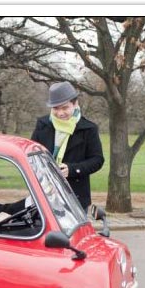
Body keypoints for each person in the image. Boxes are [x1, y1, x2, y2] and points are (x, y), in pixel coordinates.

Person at [31, 81, 104, 210]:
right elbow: (31, 155)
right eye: (55, 108)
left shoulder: (89, 128)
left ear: (75, 104)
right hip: (44, 194)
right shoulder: (42, 124)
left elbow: (97, 160)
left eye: (65, 108)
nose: (60, 113)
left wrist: (72, 169)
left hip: (75, 196)